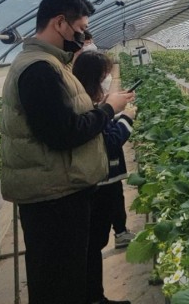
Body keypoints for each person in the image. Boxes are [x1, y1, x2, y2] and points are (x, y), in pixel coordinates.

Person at [0, 0, 133, 304]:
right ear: (60, 22)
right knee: (58, 286)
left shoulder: (52, 64)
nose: (83, 36)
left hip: (60, 189)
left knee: (68, 277)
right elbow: (62, 133)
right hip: (52, 197)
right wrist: (110, 109)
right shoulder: (39, 69)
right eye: (80, 29)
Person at [73, 51, 137, 304]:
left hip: (98, 180)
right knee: (93, 243)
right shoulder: (88, 106)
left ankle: (96, 296)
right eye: (104, 75)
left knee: (93, 244)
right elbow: (109, 141)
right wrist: (127, 119)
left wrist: (114, 112)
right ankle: (93, 298)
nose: (108, 79)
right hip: (101, 181)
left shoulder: (86, 101)